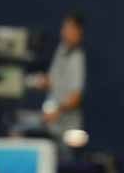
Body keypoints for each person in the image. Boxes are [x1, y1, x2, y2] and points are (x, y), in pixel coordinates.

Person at [34, 11, 86, 139]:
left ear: (78, 31)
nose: (64, 32)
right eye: (64, 28)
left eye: (69, 28)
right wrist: (43, 82)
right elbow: (52, 82)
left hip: (68, 130)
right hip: (51, 126)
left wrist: (57, 111)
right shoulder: (60, 50)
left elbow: (76, 97)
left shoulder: (77, 58)